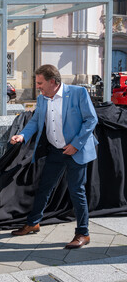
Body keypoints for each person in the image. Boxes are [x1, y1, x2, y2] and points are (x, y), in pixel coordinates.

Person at [10, 64, 98, 249]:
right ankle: (33, 222)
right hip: (55, 151)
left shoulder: (78, 93)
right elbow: (35, 120)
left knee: (77, 191)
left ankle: (83, 233)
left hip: (76, 150)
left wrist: (75, 145)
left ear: (53, 82)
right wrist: (23, 135)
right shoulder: (42, 99)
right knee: (45, 187)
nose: (38, 87)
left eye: (40, 83)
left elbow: (91, 119)